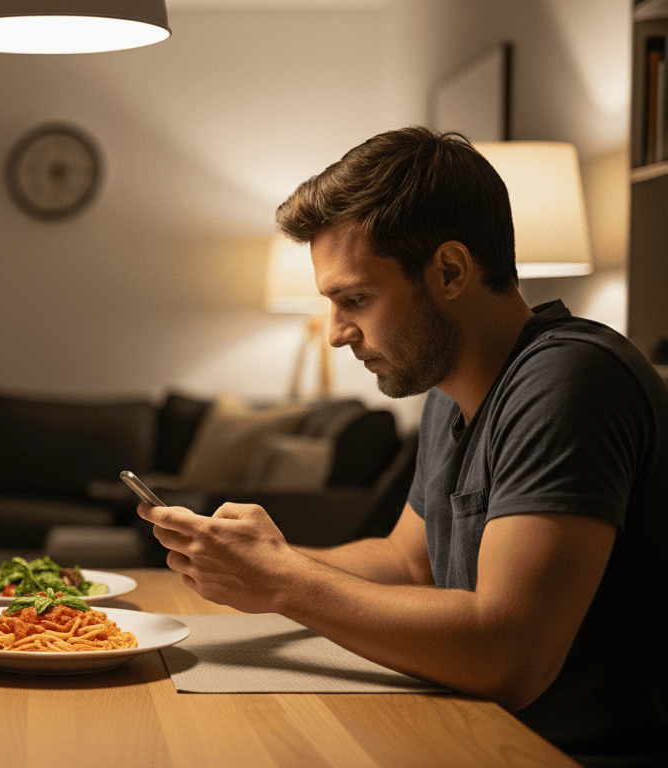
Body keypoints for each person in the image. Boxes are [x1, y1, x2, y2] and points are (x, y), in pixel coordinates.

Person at [140, 126, 667, 766]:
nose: (336, 333)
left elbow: (508, 655)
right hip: (473, 731)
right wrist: (252, 561)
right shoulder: (449, 391)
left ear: (449, 270)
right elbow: (405, 563)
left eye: (355, 299)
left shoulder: (569, 380)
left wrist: (282, 581)